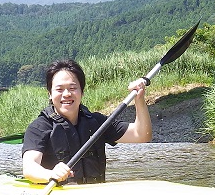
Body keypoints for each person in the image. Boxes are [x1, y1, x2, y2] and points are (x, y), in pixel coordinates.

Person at [21, 59, 151, 185]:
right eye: (59, 89)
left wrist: (139, 98)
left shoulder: (97, 123)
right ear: (50, 93)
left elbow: (142, 134)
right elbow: (29, 168)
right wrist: (50, 174)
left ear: (82, 92)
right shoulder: (39, 127)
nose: (66, 94)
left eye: (72, 88)